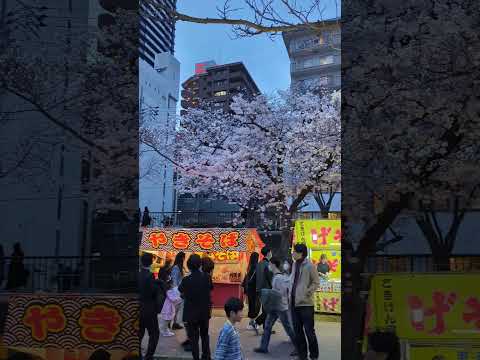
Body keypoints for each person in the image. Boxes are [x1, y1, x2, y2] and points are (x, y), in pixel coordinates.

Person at [254, 257, 297, 355]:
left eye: (270, 264)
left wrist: (270, 294)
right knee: (268, 326)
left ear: (273, 265)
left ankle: (299, 347)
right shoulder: (277, 276)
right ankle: (263, 347)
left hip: (280, 307)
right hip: (275, 306)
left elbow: (281, 293)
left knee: (288, 328)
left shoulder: (279, 277)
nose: (269, 266)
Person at [178, 254, 212, 360]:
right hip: (204, 312)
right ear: (200, 265)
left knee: (194, 339)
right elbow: (210, 289)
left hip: (191, 313)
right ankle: (206, 356)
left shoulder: (186, 280)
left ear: (188, 265)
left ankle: (196, 357)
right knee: (204, 335)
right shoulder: (207, 277)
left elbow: (181, 291)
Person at [290, 243, 320, 360]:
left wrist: (306, 293)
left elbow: (316, 282)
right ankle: (302, 356)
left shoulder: (310, 266)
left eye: (294, 252)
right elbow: (292, 281)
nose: (292, 253)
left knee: (309, 332)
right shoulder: (294, 264)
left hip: (306, 305)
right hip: (293, 303)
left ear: (300, 253)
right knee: (298, 332)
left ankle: (314, 356)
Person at [139, 252, 159, 360]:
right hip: (149, 309)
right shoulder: (150, 276)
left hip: (138, 308)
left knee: (139, 333)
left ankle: (138, 355)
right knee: (154, 333)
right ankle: (149, 356)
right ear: (151, 262)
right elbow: (153, 292)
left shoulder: (138, 274)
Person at [255, 246, 273, 330]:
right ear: (269, 253)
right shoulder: (268, 265)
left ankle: (266, 328)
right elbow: (270, 278)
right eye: (271, 252)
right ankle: (257, 322)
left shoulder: (259, 264)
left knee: (265, 309)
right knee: (268, 310)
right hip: (267, 289)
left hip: (259, 289)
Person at [241, 252, 260, 332]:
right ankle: (252, 323)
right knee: (255, 306)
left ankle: (251, 322)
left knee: (251, 306)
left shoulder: (249, 267)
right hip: (255, 290)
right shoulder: (256, 267)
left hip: (249, 290)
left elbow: (246, 279)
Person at [171, 251, 186, 330]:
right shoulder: (176, 267)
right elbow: (174, 280)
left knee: (177, 309)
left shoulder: (179, 267)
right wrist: (176, 292)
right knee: (175, 308)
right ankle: (173, 323)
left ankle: (175, 323)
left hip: (179, 290)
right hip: (177, 291)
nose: (184, 259)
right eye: (184, 257)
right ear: (182, 258)